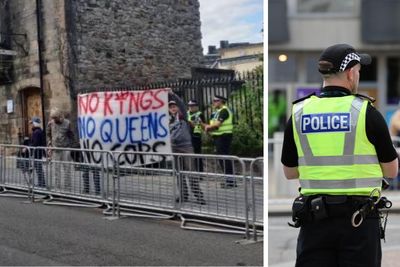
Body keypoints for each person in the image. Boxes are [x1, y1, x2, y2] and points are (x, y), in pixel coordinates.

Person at [281, 43, 398, 267]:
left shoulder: (298, 112)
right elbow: (391, 170)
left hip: (314, 220)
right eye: (359, 71)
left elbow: (289, 172)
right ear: (350, 72)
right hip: (359, 222)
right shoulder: (366, 112)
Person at [169, 94, 205, 205]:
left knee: (191, 171)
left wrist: (172, 94)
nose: (173, 108)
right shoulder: (167, 119)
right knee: (179, 172)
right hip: (174, 147)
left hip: (186, 147)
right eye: (171, 107)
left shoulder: (183, 116)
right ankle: (183, 195)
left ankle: (198, 195)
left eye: (175, 106)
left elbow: (181, 104)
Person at [204, 95, 235, 188]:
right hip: (218, 137)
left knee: (224, 158)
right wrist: (206, 126)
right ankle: (228, 180)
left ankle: (230, 181)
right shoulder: (216, 112)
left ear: (221, 101)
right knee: (222, 159)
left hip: (224, 136)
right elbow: (211, 125)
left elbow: (217, 125)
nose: (213, 102)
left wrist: (207, 128)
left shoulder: (224, 110)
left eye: (215, 101)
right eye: (213, 101)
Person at [46, 108, 74, 191]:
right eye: (53, 118)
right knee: (56, 169)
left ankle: (67, 187)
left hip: (65, 148)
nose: (54, 120)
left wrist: (72, 146)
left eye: (56, 118)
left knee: (67, 169)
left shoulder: (67, 123)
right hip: (55, 149)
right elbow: (48, 134)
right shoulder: (51, 123)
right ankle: (57, 188)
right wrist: (49, 143)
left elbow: (71, 135)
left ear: (60, 116)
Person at [187, 100, 205, 172]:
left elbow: (196, 124)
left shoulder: (199, 114)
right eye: (189, 106)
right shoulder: (186, 113)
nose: (191, 107)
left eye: (193, 106)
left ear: (197, 107)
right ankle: (192, 171)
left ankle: (199, 173)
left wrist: (189, 122)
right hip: (187, 137)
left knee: (197, 155)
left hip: (196, 137)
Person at [30, 117, 46, 188]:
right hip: (38, 152)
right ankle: (41, 183)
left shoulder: (36, 132)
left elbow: (35, 143)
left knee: (38, 168)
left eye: (32, 123)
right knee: (38, 168)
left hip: (37, 152)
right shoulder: (39, 131)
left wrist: (29, 147)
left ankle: (41, 183)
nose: (31, 125)